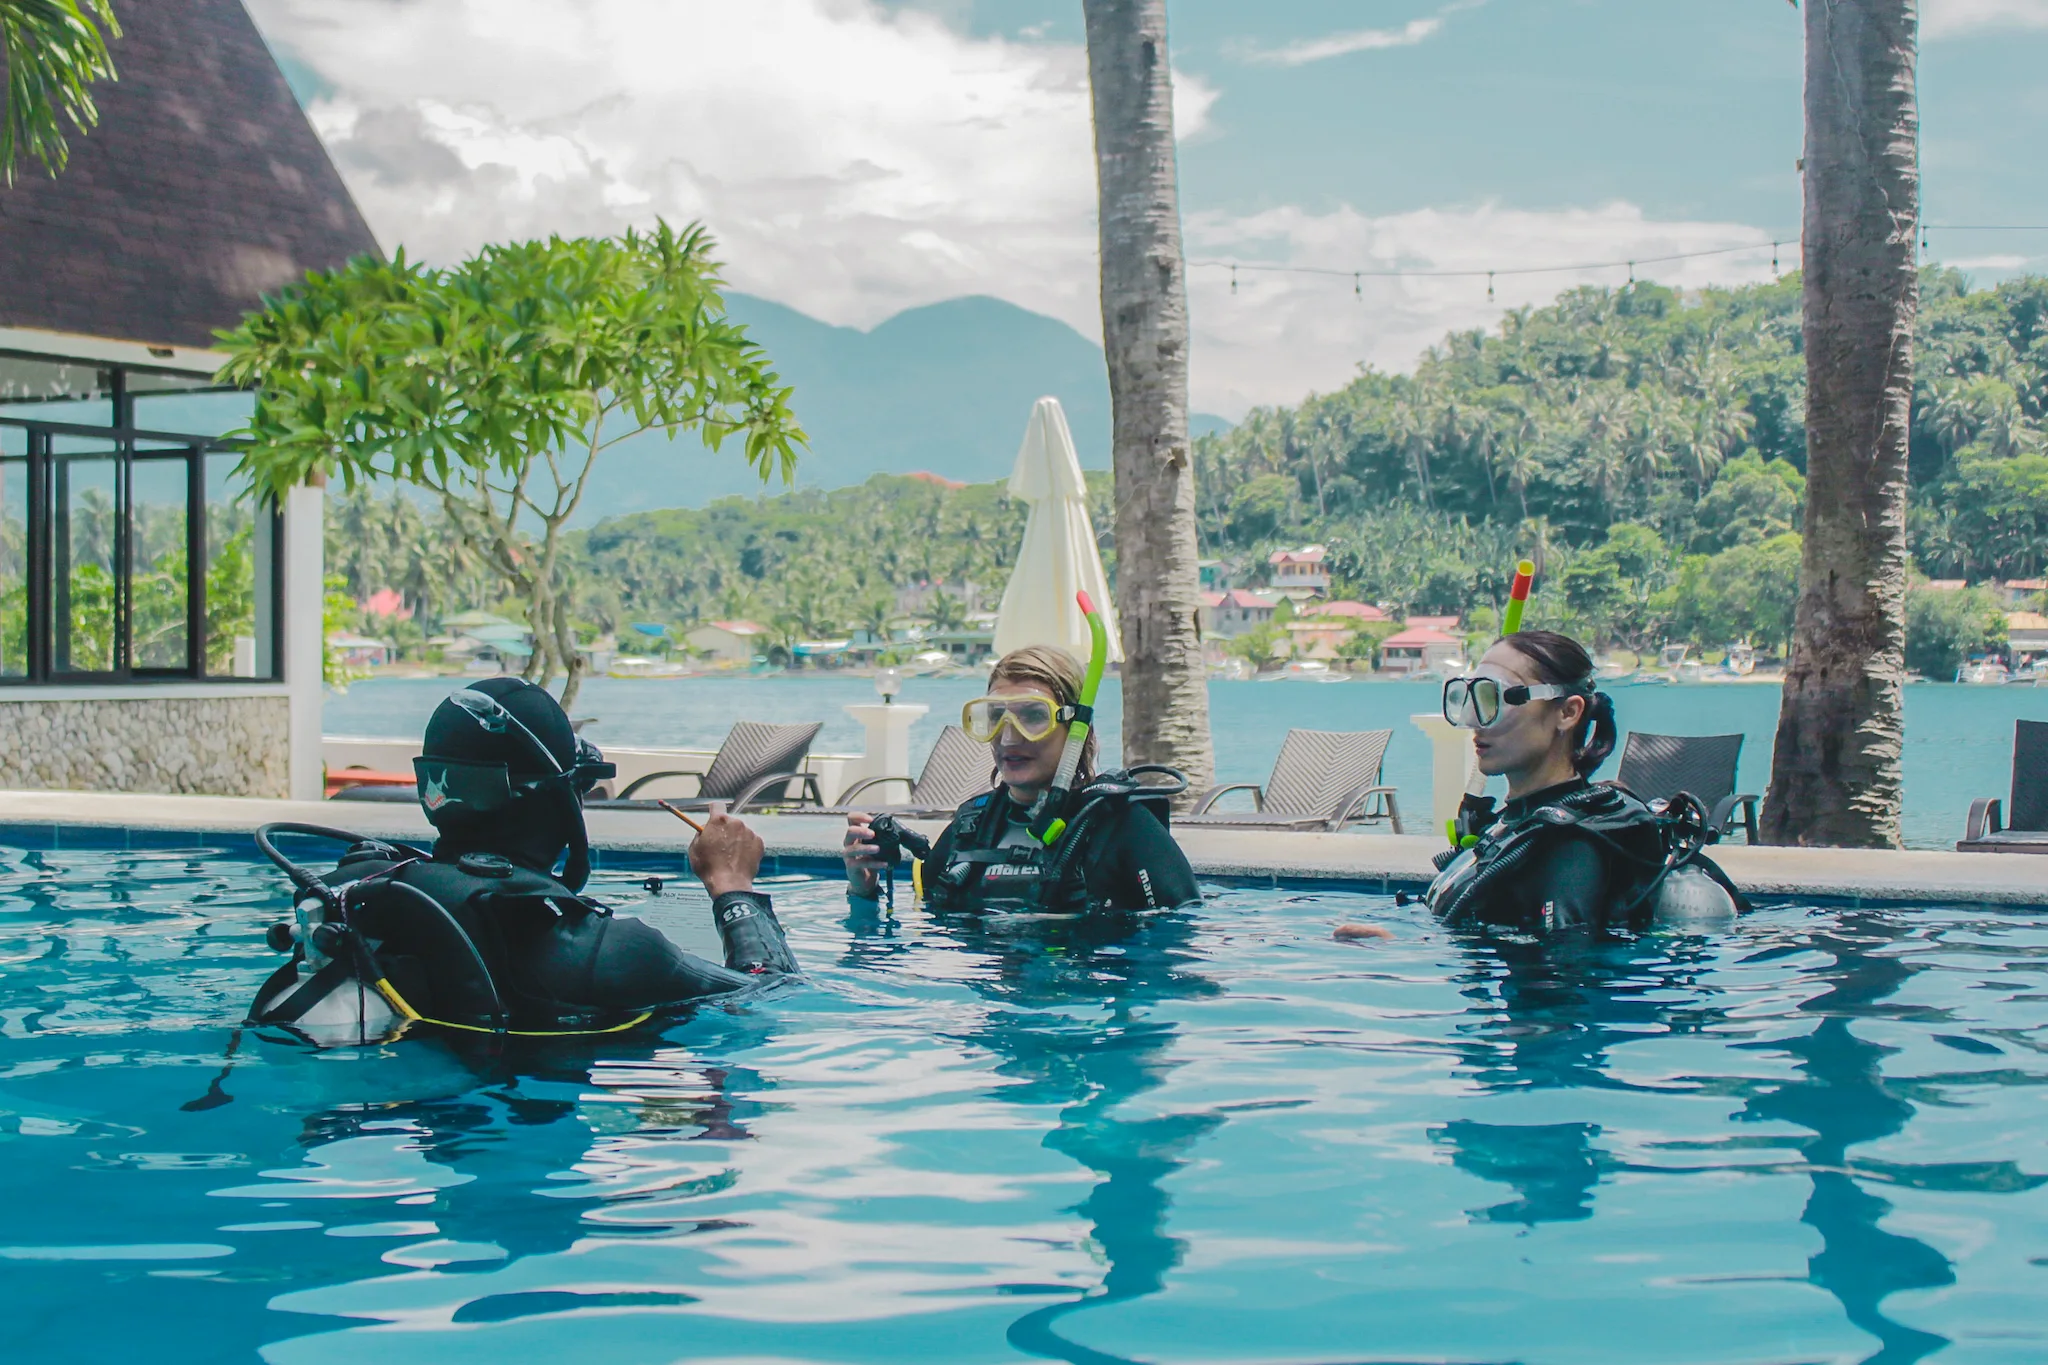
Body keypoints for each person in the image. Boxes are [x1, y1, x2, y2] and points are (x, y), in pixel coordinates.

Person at [248, 677, 795, 1042]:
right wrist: (731, 883)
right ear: (557, 798)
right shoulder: (609, 952)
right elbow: (771, 993)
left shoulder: (364, 890)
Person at [1422, 629, 1743, 935]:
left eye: (1495, 700)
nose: (1475, 721)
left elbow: (1560, 979)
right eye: (1470, 698)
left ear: (1567, 712)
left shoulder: (1569, 847)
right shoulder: (1517, 827)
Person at [841, 644, 1200, 914]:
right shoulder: (971, 826)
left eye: (1032, 716)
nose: (1009, 737)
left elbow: (1179, 945)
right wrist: (864, 891)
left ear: (1077, 727)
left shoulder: (1123, 828)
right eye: (994, 716)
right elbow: (924, 932)